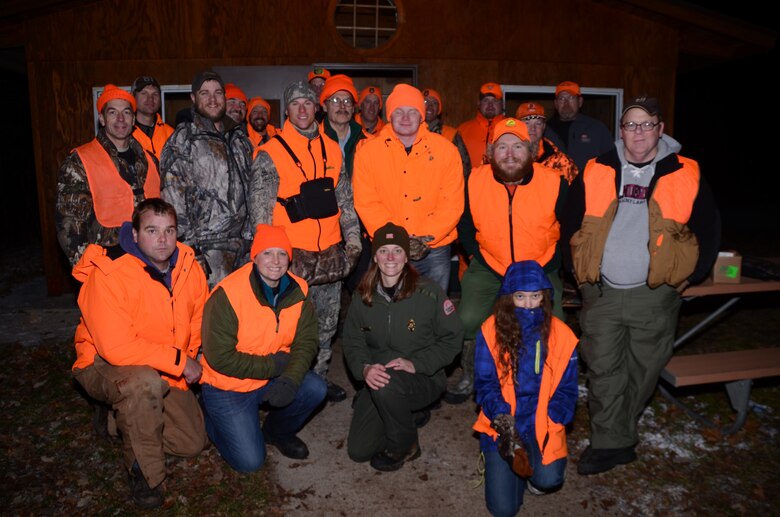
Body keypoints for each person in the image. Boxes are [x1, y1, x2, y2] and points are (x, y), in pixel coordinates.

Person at [562, 96, 720, 475]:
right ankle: (608, 443)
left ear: (660, 129)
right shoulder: (596, 168)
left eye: (646, 124)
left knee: (643, 368)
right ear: (621, 131)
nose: (638, 132)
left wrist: (691, 276)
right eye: (631, 124)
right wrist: (576, 270)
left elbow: (709, 227)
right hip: (602, 290)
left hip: (656, 294)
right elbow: (569, 221)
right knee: (603, 368)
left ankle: (618, 432)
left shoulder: (686, 171)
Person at [70, 198, 209, 509]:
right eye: (151, 230)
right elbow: (117, 348)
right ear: (133, 234)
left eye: (169, 231)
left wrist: (188, 356)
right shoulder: (109, 272)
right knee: (141, 384)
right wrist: (179, 361)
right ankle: (145, 476)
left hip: (162, 362)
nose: (162, 240)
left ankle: (120, 420)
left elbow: (198, 317)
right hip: (103, 362)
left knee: (191, 443)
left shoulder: (188, 263)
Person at [249, 81, 362, 403]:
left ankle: (319, 383)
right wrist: (270, 260)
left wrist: (352, 243)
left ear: (317, 108)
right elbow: (260, 214)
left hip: (329, 255)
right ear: (287, 110)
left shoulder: (332, 148)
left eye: (308, 103)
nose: (302, 109)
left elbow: (346, 201)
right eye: (295, 104)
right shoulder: (270, 152)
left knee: (327, 326)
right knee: (291, 330)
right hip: (290, 258)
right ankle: (288, 387)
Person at [447, 118, 567, 405]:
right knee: (467, 320)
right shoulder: (475, 180)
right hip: (491, 265)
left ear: (532, 150)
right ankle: (474, 374)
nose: (509, 153)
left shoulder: (553, 182)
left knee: (556, 324)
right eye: (502, 146)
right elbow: (463, 225)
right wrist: (477, 255)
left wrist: (551, 264)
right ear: (491, 151)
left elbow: (569, 226)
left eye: (517, 146)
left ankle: (546, 380)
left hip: (539, 266)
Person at [199, 224, 327, 471]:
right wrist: (273, 366)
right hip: (228, 385)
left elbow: (307, 341)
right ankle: (210, 419)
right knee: (249, 462)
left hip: (271, 376)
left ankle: (276, 432)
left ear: (289, 259)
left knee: (315, 388)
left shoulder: (299, 290)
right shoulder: (228, 294)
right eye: (267, 253)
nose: (275, 261)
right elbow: (220, 358)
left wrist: (289, 379)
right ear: (254, 256)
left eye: (282, 254)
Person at [342, 222, 463, 471]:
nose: (390, 257)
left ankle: (406, 445)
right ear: (374, 256)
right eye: (383, 251)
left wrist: (417, 363)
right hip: (380, 379)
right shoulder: (362, 294)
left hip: (422, 377)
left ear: (406, 256)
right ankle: (403, 414)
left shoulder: (428, 293)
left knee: (389, 387)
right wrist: (363, 368)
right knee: (359, 451)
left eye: (397, 250)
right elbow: (353, 340)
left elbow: (453, 338)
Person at [473, 260, 578, 517]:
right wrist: (502, 420)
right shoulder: (489, 331)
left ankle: (538, 473)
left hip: (541, 423)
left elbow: (568, 390)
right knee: (503, 510)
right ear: (509, 297)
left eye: (535, 296)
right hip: (505, 425)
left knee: (548, 479)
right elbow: (485, 384)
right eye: (520, 296)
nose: (528, 304)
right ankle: (506, 465)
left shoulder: (562, 335)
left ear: (544, 297)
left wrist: (554, 416)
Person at [353, 83, 464, 293]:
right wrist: (396, 239)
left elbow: (452, 203)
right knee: (388, 311)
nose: (405, 118)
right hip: (388, 249)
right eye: (399, 112)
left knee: (432, 311)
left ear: (421, 116)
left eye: (412, 112)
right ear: (389, 115)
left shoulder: (446, 151)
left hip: (434, 249)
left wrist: (425, 237)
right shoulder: (368, 153)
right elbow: (366, 203)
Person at [160, 70, 254, 288]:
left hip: (245, 248)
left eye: (218, 93)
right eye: (205, 93)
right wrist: (190, 249)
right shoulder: (183, 140)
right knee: (210, 317)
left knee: (242, 316)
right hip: (208, 250)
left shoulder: (240, 138)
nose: (212, 99)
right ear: (194, 98)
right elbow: (173, 199)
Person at [57, 84, 160, 266]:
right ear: (102, 119)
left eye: (126, 112)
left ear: (134, 118)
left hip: (151, 265)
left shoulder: (150, 160)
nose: (121, 119)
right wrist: (92, 271)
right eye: (113, 112)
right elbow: (69, 227)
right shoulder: (79, 162)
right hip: (107, 267)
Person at [544, 81, 614, 174]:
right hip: (554, 187)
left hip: (588, 186)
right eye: (562, 98)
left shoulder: (596, 128)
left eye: (571, 98)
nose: (566, 103)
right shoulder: (544, 130)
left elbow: (611, 161)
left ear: (580, 101)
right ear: (556, 103)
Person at [515, 102, 578, 184]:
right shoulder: (508, 158)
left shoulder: (561, 162)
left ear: (544, 127)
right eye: (527, 123)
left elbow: (573, 193)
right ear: (517, 126)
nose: (533, 128)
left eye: (538, 123)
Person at [422, 88, 472, 178]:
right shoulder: (409, 134)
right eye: (425, 102)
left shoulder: (452, 134)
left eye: (434, 103)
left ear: (439, 109)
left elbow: (465, 169)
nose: (429, 106)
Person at [457, 82, 506, 167]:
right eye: (486, 100)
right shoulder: (462, 130)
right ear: (479, 103)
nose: (490, 105)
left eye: (495, 101)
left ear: (502, 104)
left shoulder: (512, 129)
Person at [131, 75, 174, 160]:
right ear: (133, 97)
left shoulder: (171, 134)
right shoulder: (124, 133)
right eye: (144, 93)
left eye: (155, 94)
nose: (150, 98)